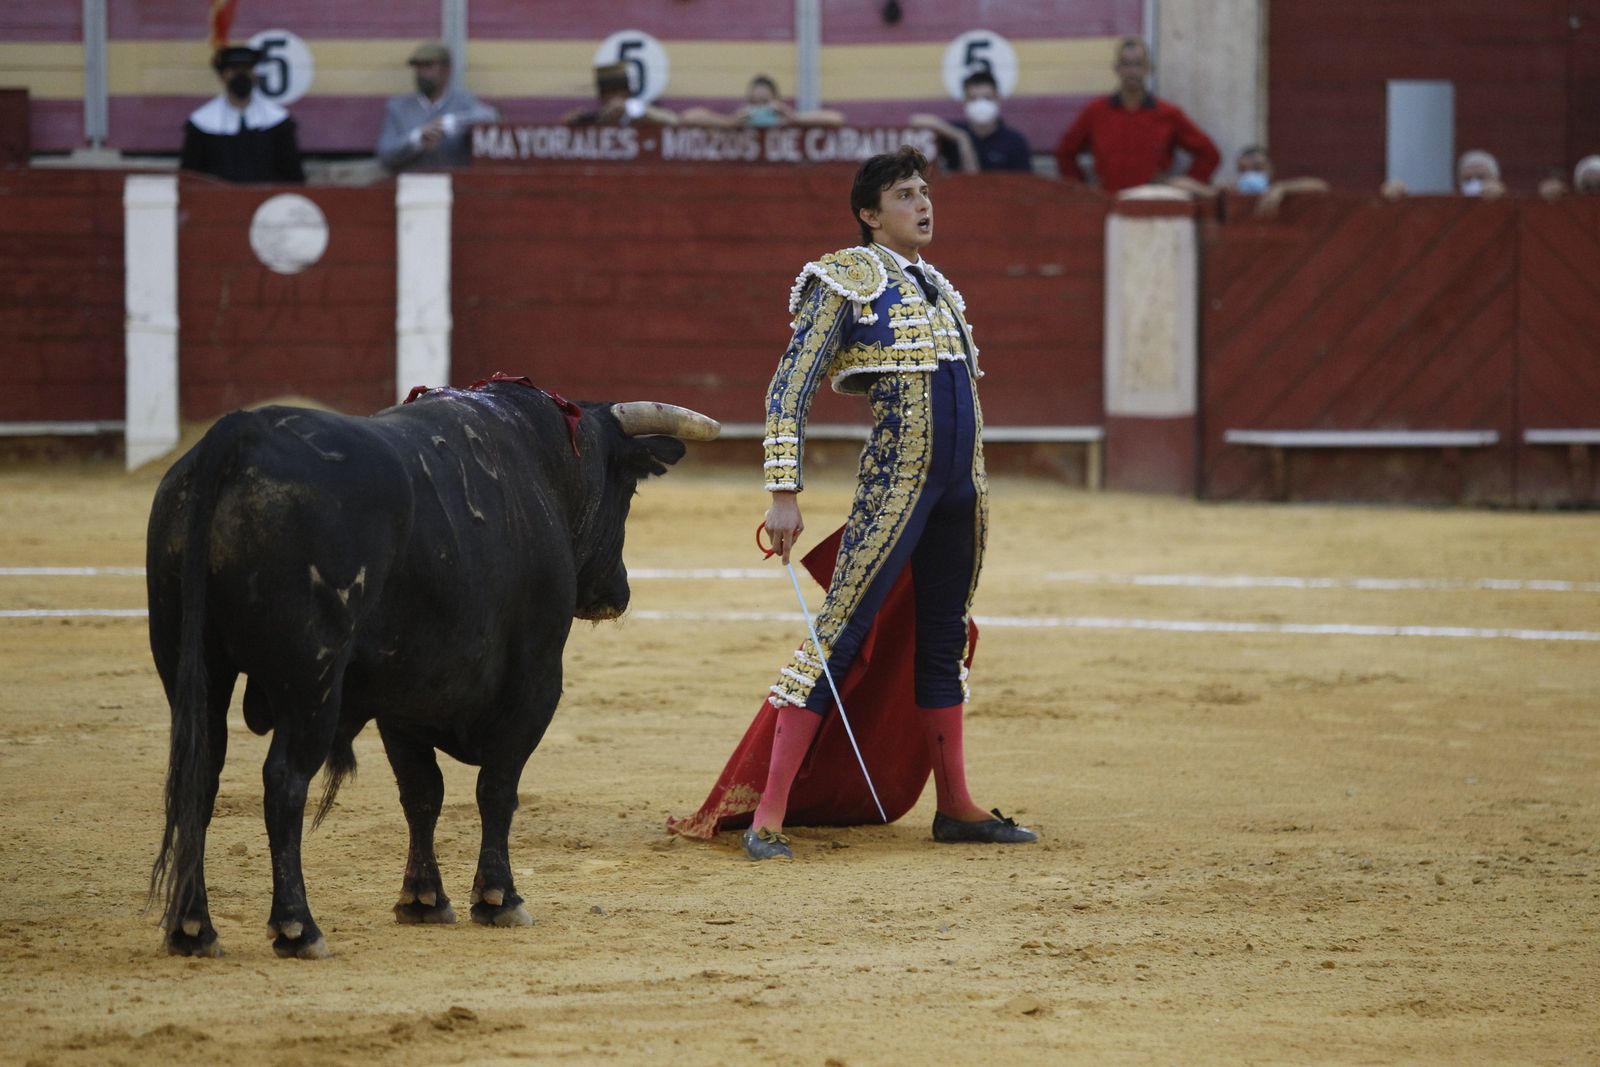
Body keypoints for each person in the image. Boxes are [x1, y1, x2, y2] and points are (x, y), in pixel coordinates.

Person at [674, 146, 1038, 860]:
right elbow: (789, 387)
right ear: (870, 214)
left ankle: (957, 805)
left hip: (963, 489)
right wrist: (783, 492)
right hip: (896, 486)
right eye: (904, 194)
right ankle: (768, 815)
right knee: (837, 638)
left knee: (941, 637)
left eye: (926, 191)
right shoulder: (844, 278)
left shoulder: (939, 287)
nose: (923, 204)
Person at [1054, 36, 1218, 194]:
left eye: (1138, 64)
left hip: (1153, 206)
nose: (1132, 71)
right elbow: (1065, 152)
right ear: (1117, 69)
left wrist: (1181, 188)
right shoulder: (1096, 111)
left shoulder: (1167, 113)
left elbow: (1209, 154)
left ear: (1148, 69)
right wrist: (1082, 190)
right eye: (1126, 64)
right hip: (1108, 206)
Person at [179, 44, 304, 183]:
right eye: (234, 69)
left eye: (246, 69)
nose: (241, 75)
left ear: (255, 74)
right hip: (218, 201)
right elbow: (191, 178)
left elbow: (293, 176)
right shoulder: (202, 123)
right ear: (222, 76)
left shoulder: (278, 121)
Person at [376, 42, 499, 172]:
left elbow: (491, 116)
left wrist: (448, 123)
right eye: (417, 67)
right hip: (412, 185)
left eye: (428, 66)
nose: (421, 72)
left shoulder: (462, 101)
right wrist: (418, 138)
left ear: (446, 70)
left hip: (455, 185)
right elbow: (385, 155)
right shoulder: (399, 107)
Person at [909, 69, 1033, 174]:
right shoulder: (954, 132)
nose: (981, 104)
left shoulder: (1014, 141)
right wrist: (961, 137)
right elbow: (915, 121)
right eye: (973, 98)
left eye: (987, 98)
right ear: (965, 101)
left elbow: (1025, 186)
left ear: (998, 99)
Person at [680, 75, 845, 128]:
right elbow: (688, 117)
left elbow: (836, 119)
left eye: (765, 102)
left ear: (776, 101)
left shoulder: (786, 119)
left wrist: (793, 117)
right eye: (755, 103)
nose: (760, 107)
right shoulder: (738, 121)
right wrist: (730, 122)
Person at [1220, 144, 1328, 218]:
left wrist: (1283, 188)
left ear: (1270, 169)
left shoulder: (1279, 188)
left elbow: (1320, 186)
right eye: (1243, 170)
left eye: (1257, 168)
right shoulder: (1230, 190)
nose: (1250, 176)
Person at [562, 62, 679, 126]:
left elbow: (673, 120)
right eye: (606, 93)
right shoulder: (597, 117)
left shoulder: (638, 109)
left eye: (617, 92)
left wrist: (628, 108)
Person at [1381, 148, 1507, 200]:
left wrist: (1502, 196)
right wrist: (1400, 198)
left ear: (1495, 179)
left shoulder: (1507, 205)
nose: (1474, 183)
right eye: (1467, 179)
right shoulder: (1451, 208)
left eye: (1481, 178)